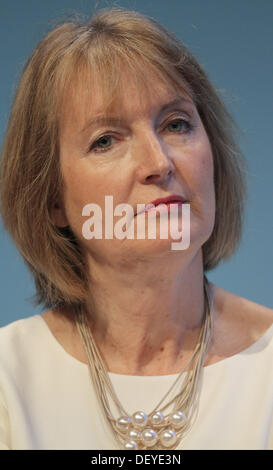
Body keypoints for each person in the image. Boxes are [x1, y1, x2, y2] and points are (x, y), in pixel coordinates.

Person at [0, 7, 272, 451]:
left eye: (176, 124)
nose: (159, 163)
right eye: (106, 139)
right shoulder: (8, 380)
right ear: (51, 198)